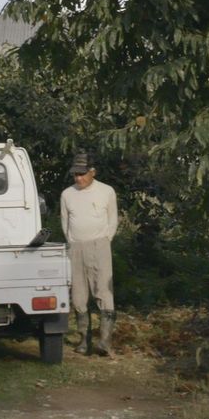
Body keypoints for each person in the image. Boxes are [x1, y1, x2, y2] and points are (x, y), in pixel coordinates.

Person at [60, 151, 118, 356]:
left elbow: (113, 221)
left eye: (82, 174)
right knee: (78, 295)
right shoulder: (67, 194)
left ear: (93, 172)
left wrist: (103, 242)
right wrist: (73, 244)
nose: (79, 178)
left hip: (99, 246)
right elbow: (65, 223)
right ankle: (84, 341)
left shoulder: (106, 191)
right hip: (76, 247)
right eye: (75, 174)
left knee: (103, 291)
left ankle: (105, 342)